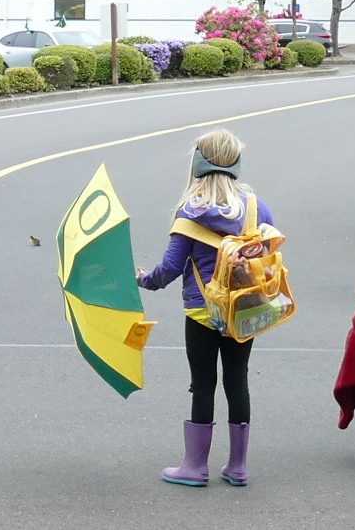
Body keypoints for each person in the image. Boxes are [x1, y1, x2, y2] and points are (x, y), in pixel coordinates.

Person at [136, 128, 273, 488]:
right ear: (236, 163)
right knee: (238, 380)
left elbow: (169, 269)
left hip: (202, 311)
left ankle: (196, 467)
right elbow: (270, 254)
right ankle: (238, 466)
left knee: (203, 383)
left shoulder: (190, 211)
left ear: (198, 162)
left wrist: (144, 279)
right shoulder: (255, 207)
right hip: (245, 309)